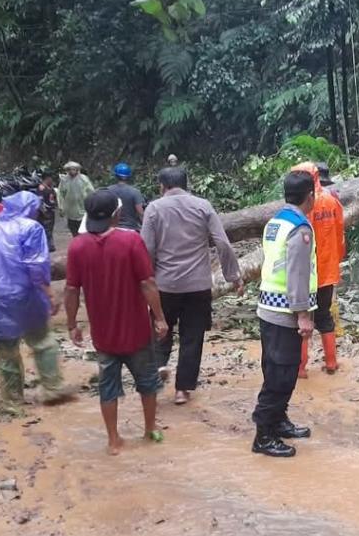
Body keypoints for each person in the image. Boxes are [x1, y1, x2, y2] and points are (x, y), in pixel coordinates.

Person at [65, 190, 169, 456]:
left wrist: (71, 324)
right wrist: (159, 318)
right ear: (117, 214)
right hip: (135, 331)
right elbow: (147, 283)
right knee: (147, 381)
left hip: (103, 336)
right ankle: (149, 429)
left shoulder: (77, 246)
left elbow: (71, 289)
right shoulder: (131, 241)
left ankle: (113, 440)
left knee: (108, 386)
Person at [142, 167, 243, 405]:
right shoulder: (202, 206)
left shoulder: (154, 209)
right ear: (187, 185)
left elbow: (146, 248)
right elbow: (222, 243)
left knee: (159, 329)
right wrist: (233, 275)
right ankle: (182, 390)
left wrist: (146, 280)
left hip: (165, 285)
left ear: (161, 186)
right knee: (192, 336)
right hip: (197, 285)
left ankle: (158, 368)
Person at [0, 191, 73, 412]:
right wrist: (50, 294)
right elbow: (37, 266)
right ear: (29, 208)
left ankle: (12, 402)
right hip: (26, 295)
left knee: (5, 353)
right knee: (43, 342)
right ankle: (52, 388)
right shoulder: (30, 228)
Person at [251, 170, 318, 458]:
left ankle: (278, 421)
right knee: (281, 373)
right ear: (310, 196)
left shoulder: (275, 222)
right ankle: (263, 434)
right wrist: (303, 314)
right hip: (284, 312)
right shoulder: (300, 228)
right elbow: (297, 274)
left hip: (269, 307)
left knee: (278, 369)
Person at [291, 162, 345, 379]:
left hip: (309, 271)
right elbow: (341, 234)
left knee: (303, 319)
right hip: (328, 270)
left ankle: (301, 367)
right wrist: (336, 260)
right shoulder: (333, 201)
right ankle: (331, 362)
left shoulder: (304, 205)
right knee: (324, 316)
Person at [58, 161, 94, 237]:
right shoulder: (64, 180)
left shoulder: (83, 179)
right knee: (73, 230)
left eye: (74, 169)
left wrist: (92, 204)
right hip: (70, 210)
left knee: (84, 230)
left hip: (83, 208)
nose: (72, 171)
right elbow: (60, 194)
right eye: (70, 169)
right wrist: (61, 207)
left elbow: (91, 191)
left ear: (77, 170)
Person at [108, 162, 146, 232]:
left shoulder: (108, 190)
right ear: (129, 176)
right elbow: (140, 212)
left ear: (115, 176)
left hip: (112, 229)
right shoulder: (135, 192)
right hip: (130, 229)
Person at [37, 171, 58, 252]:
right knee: (46, 230)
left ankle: (50, 245)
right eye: (51, 178)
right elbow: (40, 202)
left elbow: (53, 199)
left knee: (50, 229)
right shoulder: (41, 188)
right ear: (47, 178)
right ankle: (46, 246)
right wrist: (44, 212)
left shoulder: (50, 188)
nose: (52, 180)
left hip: (51, 211)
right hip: (45, 213)